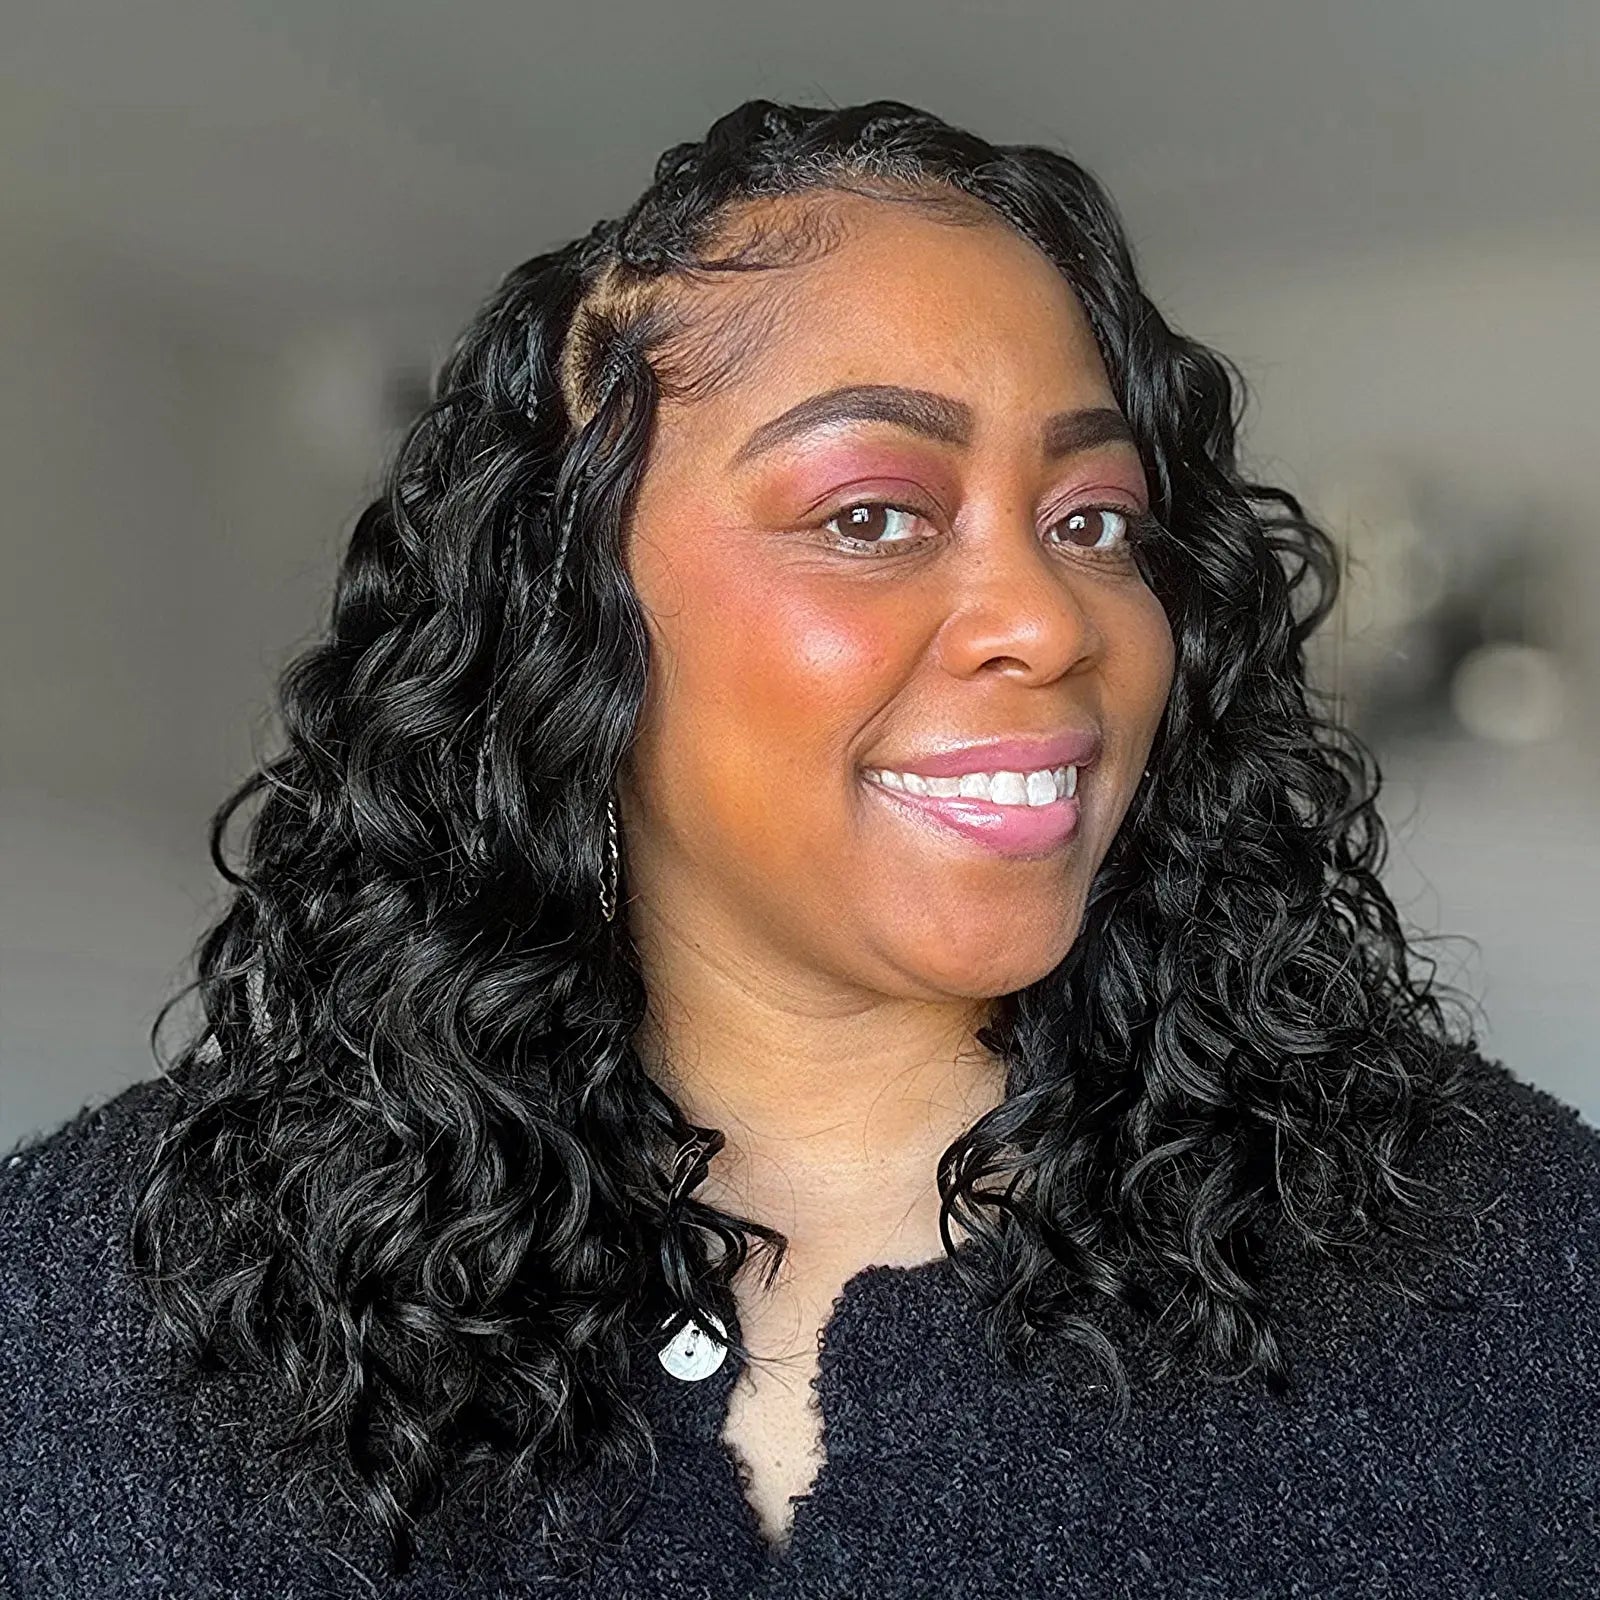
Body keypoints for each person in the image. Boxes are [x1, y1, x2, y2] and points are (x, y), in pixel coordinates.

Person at [2, 97, 1596, 1599]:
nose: (1051, 619)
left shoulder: (1518, 1264)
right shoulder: (90, 1306)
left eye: (1094, 521)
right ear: (564, 621)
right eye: (871, 515)